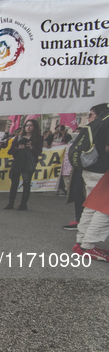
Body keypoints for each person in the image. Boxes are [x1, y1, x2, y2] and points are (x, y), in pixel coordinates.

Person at [71, 103, 109, 260]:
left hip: (91, 168)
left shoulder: (101, 119)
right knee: (104, 209)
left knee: (92, 205)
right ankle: (89, 245)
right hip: (102, 169)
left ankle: (81, 241)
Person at [4, 119, 43, 211]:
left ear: (35, 127)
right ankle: (11, 202)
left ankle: (23, 204)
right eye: (26, 125)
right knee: (14, 183)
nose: (28, 128)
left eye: (31, 125)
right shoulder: (18, 137)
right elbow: (10, 151)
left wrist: (31, 147)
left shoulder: (38, 138)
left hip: (29, 163)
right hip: (18, 162)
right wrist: (19, 148)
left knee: (26, 183)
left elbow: (38, 152)